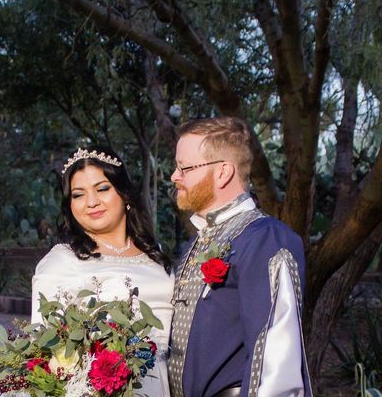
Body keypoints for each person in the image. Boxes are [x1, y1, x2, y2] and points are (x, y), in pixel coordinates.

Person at [167, 117, 312, 397]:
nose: (175, 176)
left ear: (223, 172)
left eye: (184, 167)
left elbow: (276, 357)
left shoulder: (266, 238)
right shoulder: (195, 242)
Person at [31, 145, 174, 397]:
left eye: (102, 188)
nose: (92, 202)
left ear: (125, 194)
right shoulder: (63, 261)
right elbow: (42, 349)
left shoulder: (155, 252)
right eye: (78, 194)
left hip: (162, 382)